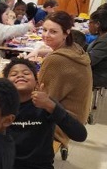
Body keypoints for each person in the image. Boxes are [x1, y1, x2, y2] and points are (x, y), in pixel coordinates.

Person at [38, 11, 92, 160]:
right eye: (44, 30)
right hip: (74, 120)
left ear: (66, 33)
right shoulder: (76, 49)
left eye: (53, 31)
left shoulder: (57, 60)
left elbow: (42, 97)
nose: (46, 35)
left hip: (59, 124)